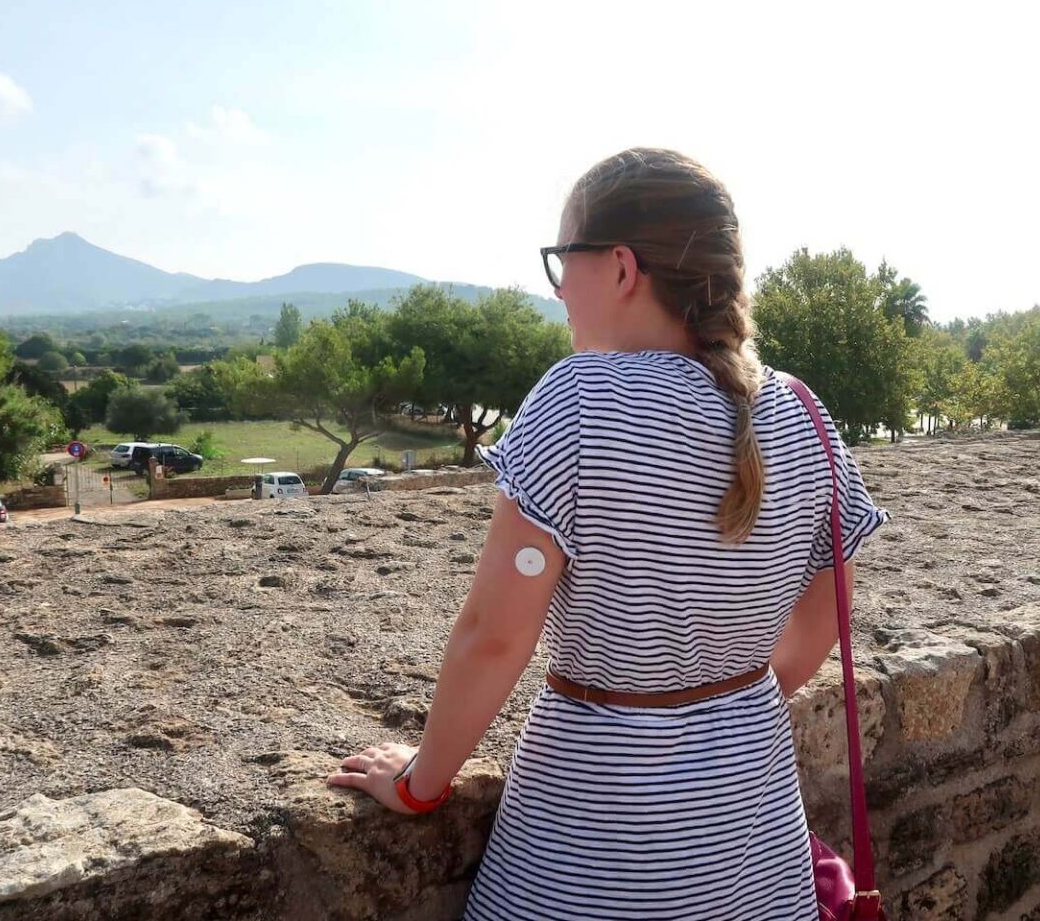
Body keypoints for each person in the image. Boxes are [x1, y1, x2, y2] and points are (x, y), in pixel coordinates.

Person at [330, 148, 891, 920]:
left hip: (590, 846)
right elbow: (828, 614)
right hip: (753, 844)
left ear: (622, 267)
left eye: (565, 261)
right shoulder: (802, 411)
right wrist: (720, 703)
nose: (558, 289)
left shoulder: (579, 399)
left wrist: (418, 783)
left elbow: (495, 635)